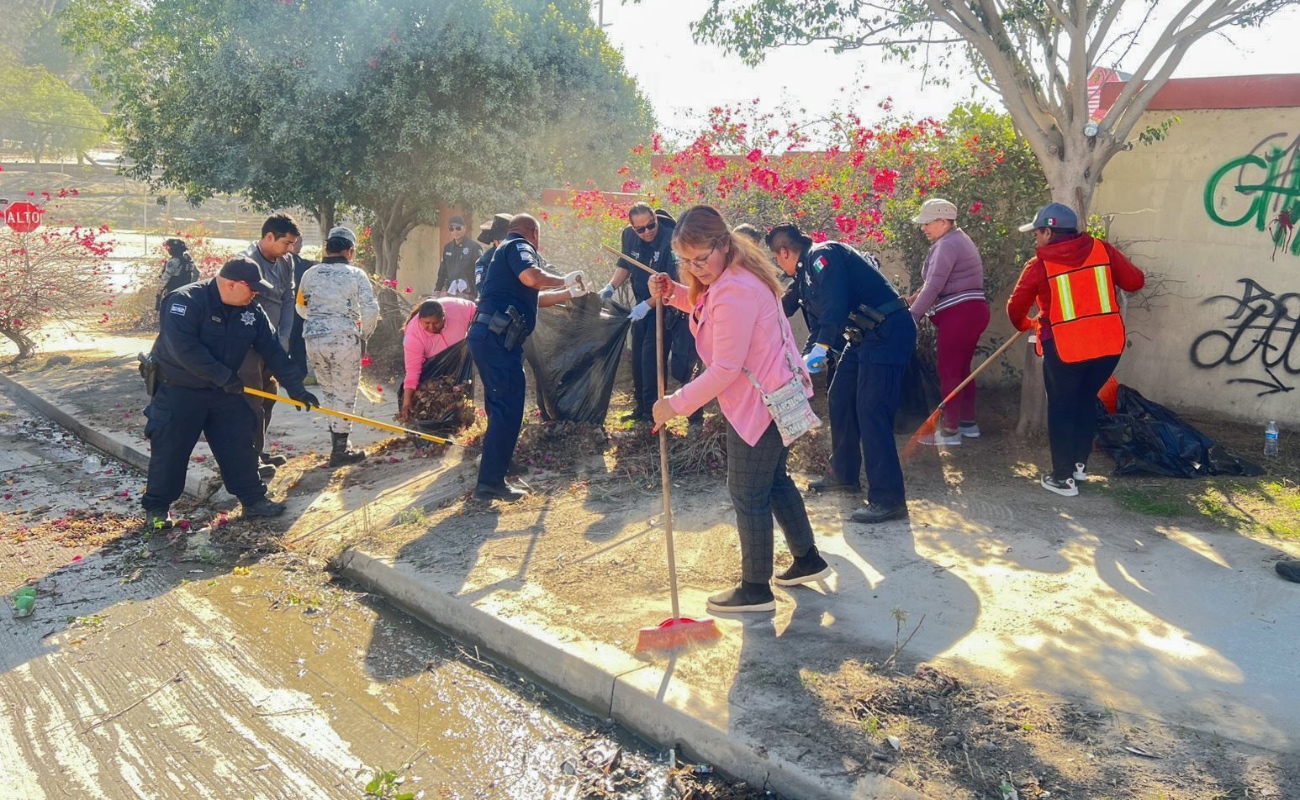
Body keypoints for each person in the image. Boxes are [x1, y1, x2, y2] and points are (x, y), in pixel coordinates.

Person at [650, 205, 830, 613]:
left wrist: (673, 406)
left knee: (747, 491)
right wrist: (674, 294)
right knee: (773, 481)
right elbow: (710, 312)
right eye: (687, 262)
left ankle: (756, 589)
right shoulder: (732, 277)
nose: (697, 269)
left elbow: (725, 369)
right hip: (777, 394)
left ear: (723, 244)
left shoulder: (735, 288)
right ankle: (807, 560)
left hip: (762, 404)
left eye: (702, 259)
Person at [141, 257, 318, 532]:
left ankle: (252, 500)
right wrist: (225, 378)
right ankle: (157, 508)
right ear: (232, 285)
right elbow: (185, 350)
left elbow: (272, 350)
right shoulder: (184, 301)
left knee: (239, 442)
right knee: (171, 449)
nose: (256, 294)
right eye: (252, 289)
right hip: (180, 390)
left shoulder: (251, 311)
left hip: (224, 391)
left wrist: (297, 387)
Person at [767, 224, 916, 523]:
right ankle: (845, 475)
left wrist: (821, 347)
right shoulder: (806, 276)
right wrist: (809, 353)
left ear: (784, 251)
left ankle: (889, 499)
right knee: (840, 397)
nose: (778, 264)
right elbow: (820, 319)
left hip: (887, 331)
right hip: (862, 336)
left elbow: (835, 303)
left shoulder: (824, 256)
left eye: (776, 258)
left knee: (870, 410)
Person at [1007, 202, 1145, 497]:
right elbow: (1135, 281)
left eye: (1037, 232)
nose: (1035, 238)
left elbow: (1015, 306)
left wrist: (1025, 324)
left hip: (1067, 348)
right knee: (1084, 401)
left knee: (1062, 408)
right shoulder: (1102, 250)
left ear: (1048, 231)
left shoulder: (1040, 265)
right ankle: (1079, 466)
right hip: (1107, 346)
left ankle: (1062, 478)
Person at [468, 214, 587, 502]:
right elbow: (532, 277)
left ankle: (499, 465)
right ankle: (489, 483)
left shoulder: (503, 253)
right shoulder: (519, 245)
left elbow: (535, 295)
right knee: (507, 409)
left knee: (505, 408)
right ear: (534, 233)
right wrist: (564, 278)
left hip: (493, 338)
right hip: (497, 339)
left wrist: (567, 291)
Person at [599, 203, 701, 427]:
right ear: (632, 228)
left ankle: (657, 413)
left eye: (650, 225)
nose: (647, 232)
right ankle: (642, 408)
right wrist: (610, 287)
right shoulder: (628, 236)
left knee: (654, 359)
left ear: (655, 218)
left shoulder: (670, 241)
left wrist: (647, 305)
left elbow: (671, 285)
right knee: (638, 360)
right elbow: (625, 263)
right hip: (641, 307)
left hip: (667, 308)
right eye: (641, 229)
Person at [907, 198, 990, 446]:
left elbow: (934, 285)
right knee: (962, 369)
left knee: (950, 370)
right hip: (970, 311)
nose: (923, 228)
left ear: (943, 222)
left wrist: (913, 316)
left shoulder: (947, 245)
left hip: (959, 313)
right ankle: (967, 423)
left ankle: (950, 431)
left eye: (927, 223)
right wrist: (913, 299)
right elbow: (934, 283)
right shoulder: (956, 239)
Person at [296, 226, 380, 466]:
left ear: (327, 248)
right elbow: (371, 310)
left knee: (330, 392)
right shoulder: (355, 274)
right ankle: (340, 451)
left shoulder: (309, 274)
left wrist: (318, 320)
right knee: (345, 393)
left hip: (313, 340)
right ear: (349, 251)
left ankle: (339, 445)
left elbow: (301, 307)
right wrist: (363, 335)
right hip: (343, 339)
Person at [240, 213, 302, 477]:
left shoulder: (285, 261)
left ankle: (259, 450)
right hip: (249, 345)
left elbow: (288, 297)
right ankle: (247, 459)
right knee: (251, 400)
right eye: (286, 243)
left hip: (274, 343)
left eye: (292, 244)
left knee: (269, 395)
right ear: (268, 237)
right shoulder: (246, 262)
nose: (290, 249)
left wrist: (283, 338)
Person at [399, 297, 476, 422]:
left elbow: (478, 312)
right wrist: (407, 401)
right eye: (426, 323)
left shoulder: (457, 308)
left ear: (444, 317)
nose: (431, 327)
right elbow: (413, 370)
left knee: (461, 397)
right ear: (420, 319)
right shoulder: (413, 335)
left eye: (436, 323)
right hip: (434, 366)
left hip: (460, 358)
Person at [286, 236, 318, 376]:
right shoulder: (295, 262)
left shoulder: (277, 261)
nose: (301, 247)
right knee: (297, 343)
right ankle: (299, 372)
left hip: (287, 307)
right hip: (296, 307)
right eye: (300, 243)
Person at [436, 214, 482, 298]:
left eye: (458, 228)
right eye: (451, 229)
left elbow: (479, 271)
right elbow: (442, 271)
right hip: (451, 292)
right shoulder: (448, 248)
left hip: (468, 293)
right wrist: (437, 290)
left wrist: (479, 293)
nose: (455, 231)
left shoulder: (474, 247)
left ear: (464, 228)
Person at [157, 239, 199, 312]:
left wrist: (160, 289)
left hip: (173, 291)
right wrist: (190, 285)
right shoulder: (188, 260)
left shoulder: (173, 261)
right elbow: (196, 273)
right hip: (185, 291)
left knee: (169, 310)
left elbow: (166, 276)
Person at [474, 213, 512, 292]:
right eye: (503, 238)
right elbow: (482, 286)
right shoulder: (485, 261)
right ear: (495, 240)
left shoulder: (522, 254)